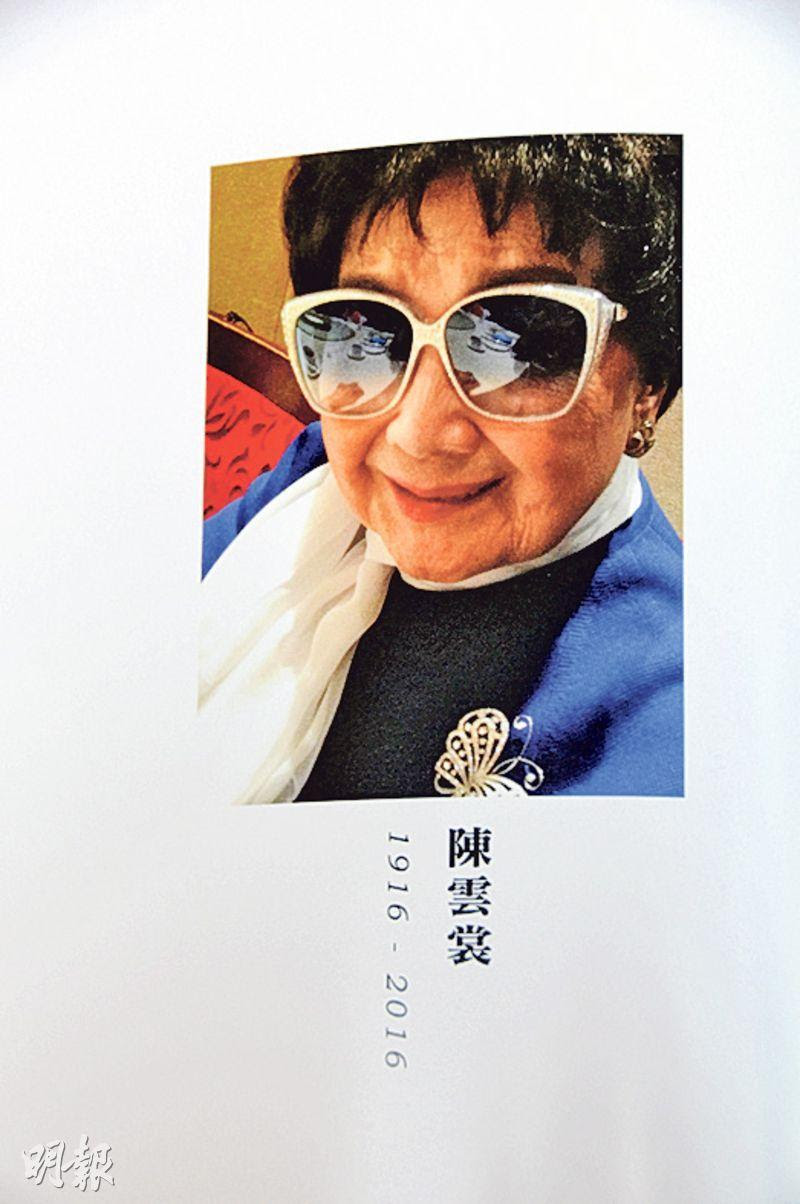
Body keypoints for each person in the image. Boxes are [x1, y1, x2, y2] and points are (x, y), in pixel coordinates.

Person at [200, 135, 682, 803]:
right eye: (365, 332)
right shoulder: (316, 474)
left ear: (649, 383)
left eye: (523, 342)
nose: (417, 435)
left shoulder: (670, 716)